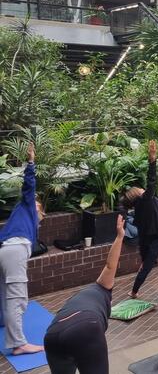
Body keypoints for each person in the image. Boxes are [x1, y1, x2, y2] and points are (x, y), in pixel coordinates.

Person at [44, 215, 126, 373]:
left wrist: (120, 236)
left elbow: (109, 266)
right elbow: (111, 264)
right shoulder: (104, 287)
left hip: (52, 334)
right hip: (85, 326)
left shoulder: (93, 290)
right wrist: (120, 236)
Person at [122, 140, 158, 319]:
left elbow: (142, 239)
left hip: (153, 243)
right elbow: (152, 182)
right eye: (140, 188)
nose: (142, 188)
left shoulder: (138, 212)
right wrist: (152, 160)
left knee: (145, 268)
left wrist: (144, 257)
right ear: (138, 193)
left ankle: (133, 292)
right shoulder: (146, 199)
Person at [0, 143, 45, 355]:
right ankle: (18, 344)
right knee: (17, 298)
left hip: (6, 250)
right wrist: (31, 162)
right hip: (14, 251)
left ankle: (4, 323)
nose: (36, 204)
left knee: (5, 294)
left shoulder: (23, 218)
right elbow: (29, 187)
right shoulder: (25, 205)